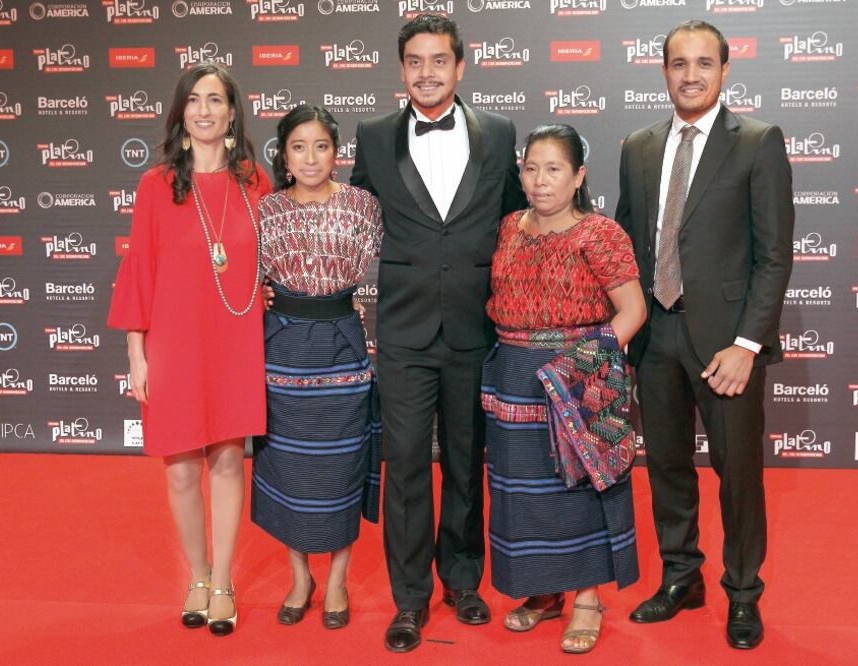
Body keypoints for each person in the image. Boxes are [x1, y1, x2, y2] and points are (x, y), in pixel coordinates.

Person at [614, 20, 795, 650]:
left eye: (703, 64)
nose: (690, 75)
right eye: (678, 63)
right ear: (662, 70)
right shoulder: (637, 145)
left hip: (725, 345)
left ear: (724, 70)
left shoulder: (758, 141)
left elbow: (774, 256)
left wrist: (747, 345)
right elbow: (626, 247)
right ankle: (681, 576)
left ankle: (743, 594)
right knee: (664, 465)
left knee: (738, 473)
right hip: (655, 333)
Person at [349, 13, 526, 653]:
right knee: (403, 470)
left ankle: (462, 579)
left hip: (477, 329)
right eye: (415, 62)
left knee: (464, 462)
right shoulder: (371, 137)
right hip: (402, 330)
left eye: (439, 61)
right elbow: (358, 220)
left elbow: (515, 223)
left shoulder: (501, 133)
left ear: (460, 65)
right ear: (402, 69)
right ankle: (409, 600)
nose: (427, 73)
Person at [108, 62, 271, 636]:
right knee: (180, 470)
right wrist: (136, 355)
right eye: (195, 99)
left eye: (216, 99)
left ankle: (223, 581)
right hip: (172, 342)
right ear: (181, 112)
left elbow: (271, 263)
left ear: (232, 112)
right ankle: (196, 575)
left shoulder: (255, 182)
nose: (205, 109)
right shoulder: (155, 186)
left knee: (228, 460)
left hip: (234, 338)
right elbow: (139, 273)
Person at [483, 124, 646, 655]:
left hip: (577, 382)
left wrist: (579, 369)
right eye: (531, 168)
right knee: (522, 496)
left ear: (578, 176)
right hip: (512, 380)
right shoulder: (509, 226)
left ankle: (586, 598)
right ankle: (543, 592)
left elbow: (633, 311)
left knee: (576, 492)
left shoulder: (599, 234)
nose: (539, 180)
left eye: (553, 169)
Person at [252, 105, 383, 630]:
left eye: (321, 146)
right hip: (282, 351)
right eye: (299, 146)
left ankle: (336, 582)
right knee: (290, 468)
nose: (311, 157)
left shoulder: (364, 207)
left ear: (337, 152)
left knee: (339, 469)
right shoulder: (264, 211)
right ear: (284, 155)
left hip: (343, 349)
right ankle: (300, 576)